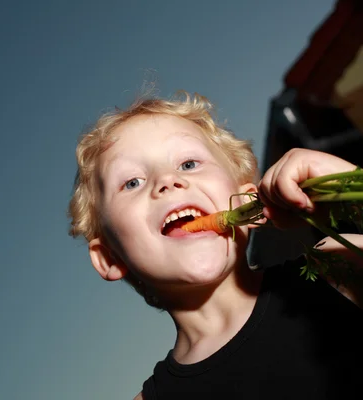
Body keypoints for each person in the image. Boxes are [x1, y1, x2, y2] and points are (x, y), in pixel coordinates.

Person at [67, 92, 363, 399]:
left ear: (250, 203)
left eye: (189, 163)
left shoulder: (340, 266)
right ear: (109, 258)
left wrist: (349, 181)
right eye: (132, 182)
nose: (167, 180)